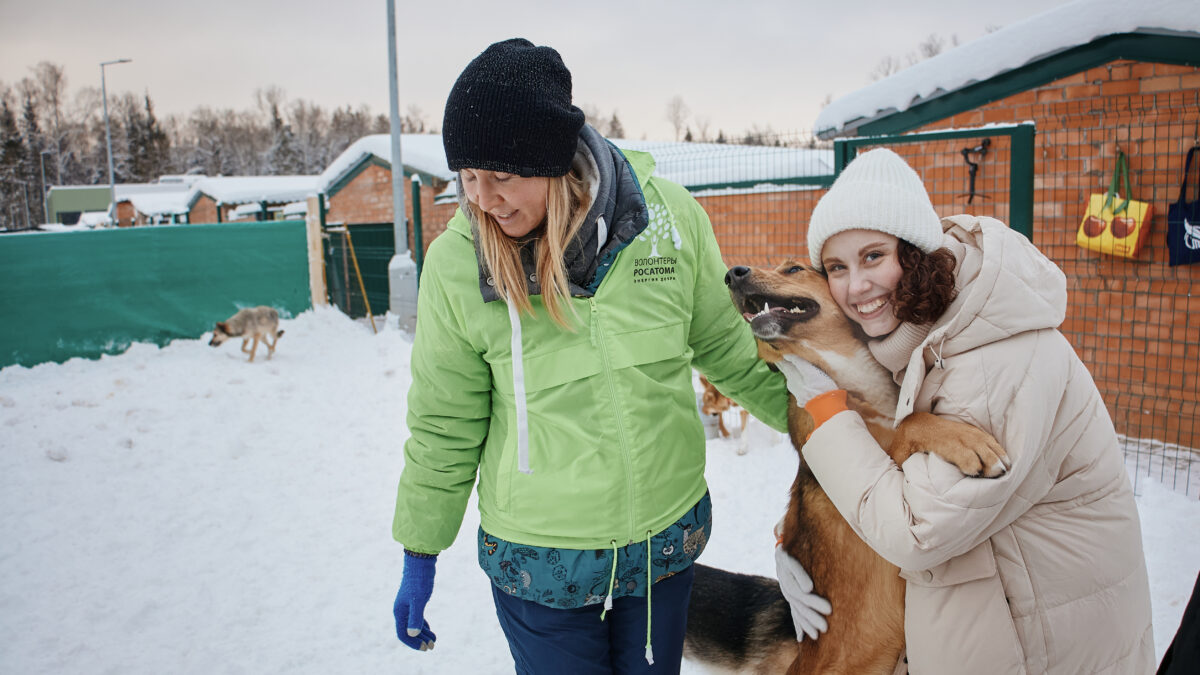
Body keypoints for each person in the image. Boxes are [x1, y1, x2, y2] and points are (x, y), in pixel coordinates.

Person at [390, 38, 824, 673]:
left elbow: (733, 356)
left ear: (552, 160)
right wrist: (419, 548)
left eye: (501, 177)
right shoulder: (459, 263)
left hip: (660, 551)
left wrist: (836, 436)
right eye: (468, 177)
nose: (481, 198)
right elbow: (444, 421)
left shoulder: (668, 224)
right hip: (540, 564)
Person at [773, 148, 1154, 674]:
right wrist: (796, 542)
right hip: (1004, 626)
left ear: (914, 252)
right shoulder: (917, 340)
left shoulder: (991, 355)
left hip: (1049, 649)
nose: (856, 287)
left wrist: (823, 406)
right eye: (837, 267)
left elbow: (916, 531)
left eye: (873, 257)